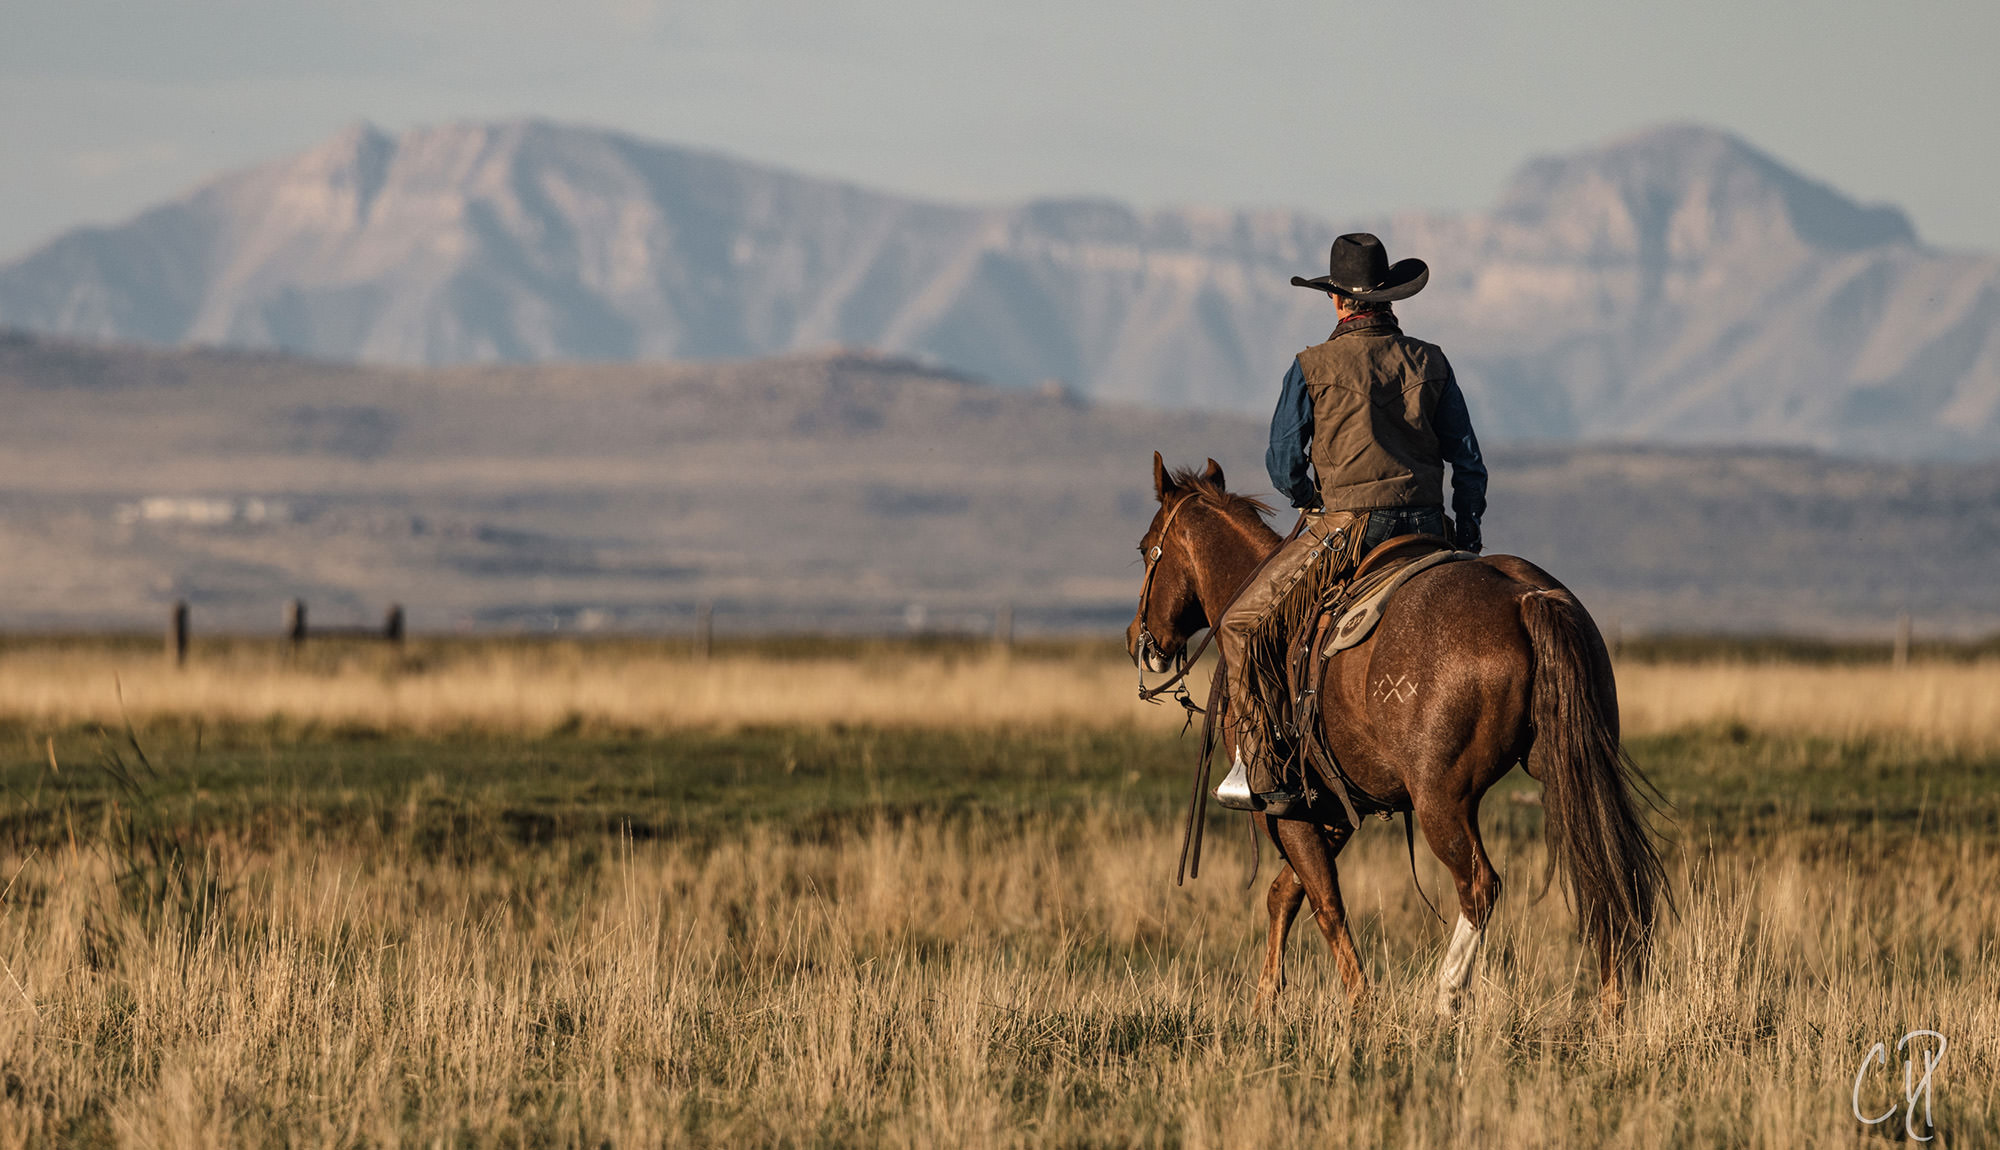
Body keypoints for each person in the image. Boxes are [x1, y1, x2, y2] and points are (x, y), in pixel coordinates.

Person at [1213, 233, 1488, 816]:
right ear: (1388, 298)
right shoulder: (1431, 361)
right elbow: (1468, 461)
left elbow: (1282, 462)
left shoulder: (1311, 366)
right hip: (1428, 527)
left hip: (1347, 530)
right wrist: (1467, 533)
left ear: (1337, 300)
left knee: (1241, 625)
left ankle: (1262, 767)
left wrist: (1310, 498)